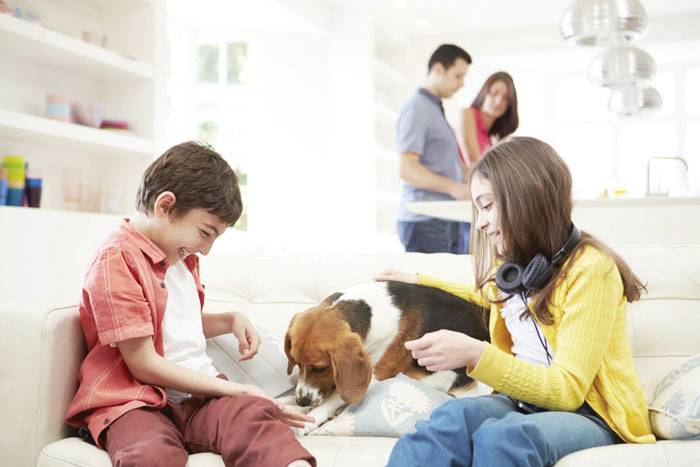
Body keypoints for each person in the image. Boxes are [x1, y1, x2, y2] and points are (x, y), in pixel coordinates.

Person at [376, 136, 655, 467]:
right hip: (524, 403)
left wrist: (477, 354)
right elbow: (487, 297)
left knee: (505, 437)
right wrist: (420, 281)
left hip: (592, 413)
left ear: (528, 196)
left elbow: (567, 391)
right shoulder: (515, 268)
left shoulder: (592, 269)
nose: (480, 222)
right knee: (450, 419)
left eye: (487, 206)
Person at [65, 141, 315, 467]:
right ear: (165, 206)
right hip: (136, 402)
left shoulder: (182, 256)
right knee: (151, 454)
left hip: (197, 399)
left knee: (254, 416)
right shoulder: (117, 258)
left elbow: (172, 325)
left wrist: (229, 319)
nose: (206, 249)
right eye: (205, 232)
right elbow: (142, 362)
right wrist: (236, 389)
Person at [396, 43, 472, 254]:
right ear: (439, 69)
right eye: (458, 76)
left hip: (442, 218)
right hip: (426, 221)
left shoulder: (434, 109)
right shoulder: (417, 108)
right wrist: (454, 187)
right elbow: (407, 169)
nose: (461, 84)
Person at [457, 71, 519, 168]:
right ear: (484, 93)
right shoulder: (466, 114)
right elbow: (473, 162)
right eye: (494, 93)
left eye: (506, 98)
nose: (499, 102)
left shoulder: (490, 140)